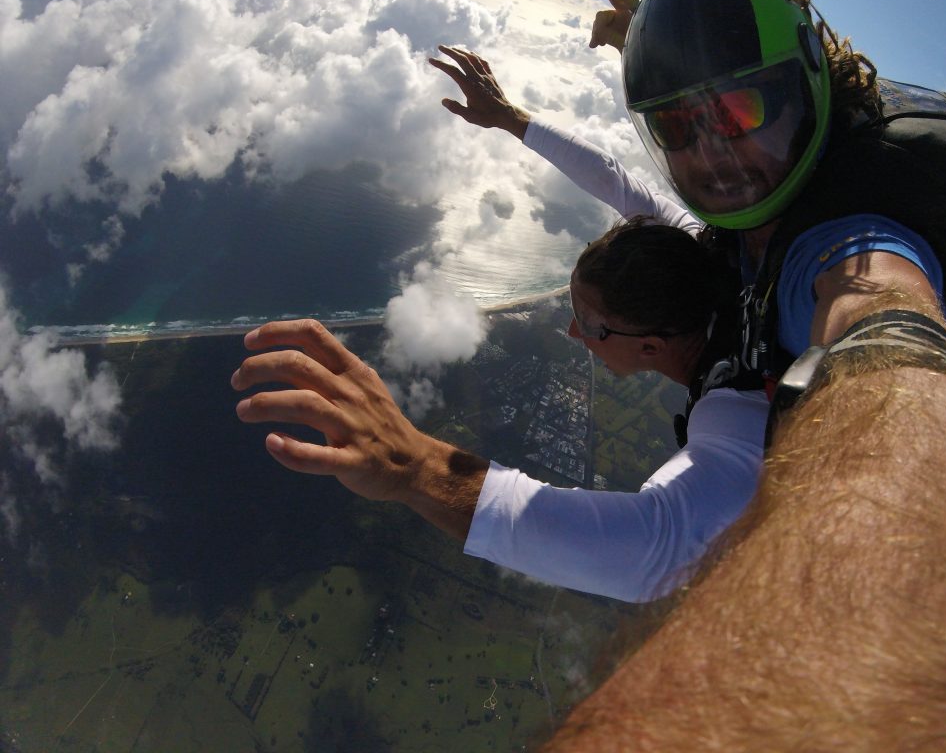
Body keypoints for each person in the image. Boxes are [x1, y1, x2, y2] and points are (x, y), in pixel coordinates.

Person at [529, 0, 946, 749]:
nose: (713, 156)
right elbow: (629, 192)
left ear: (805, 82)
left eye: (738, 114)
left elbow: (885, 329)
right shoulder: (744, 227)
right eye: (676, 125)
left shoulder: (847, 240)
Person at [234, 219, 768, 603]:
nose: (573, 331)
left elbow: (654, 552)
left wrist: (414, 467)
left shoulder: (739, 411)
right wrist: (514, 122)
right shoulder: (704, 271)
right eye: (575, 308)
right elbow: (623, 185)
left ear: (651, 347)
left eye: (591, 323)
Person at [428, 44, 701, 234]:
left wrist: (509, 118)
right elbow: (611, 179)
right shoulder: (705, 247)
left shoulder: (705, 249)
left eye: (592, 320)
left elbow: (612, 180)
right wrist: (508, 117)